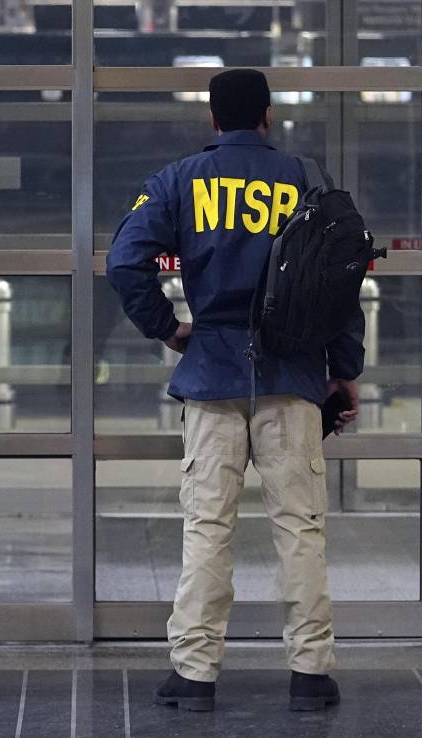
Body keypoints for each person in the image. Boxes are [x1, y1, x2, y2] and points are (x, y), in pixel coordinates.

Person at [106, 69, 364, 713]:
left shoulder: (179, 180)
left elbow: (123, 261)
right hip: (293, 378)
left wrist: (168, 329)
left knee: (207, 527)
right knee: (299, 528)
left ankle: (195, 674)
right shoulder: (307, 178)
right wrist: (343, 367)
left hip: (212, 374)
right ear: (269, 117)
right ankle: (312, 672)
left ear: (213, 120)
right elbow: (342, 276)